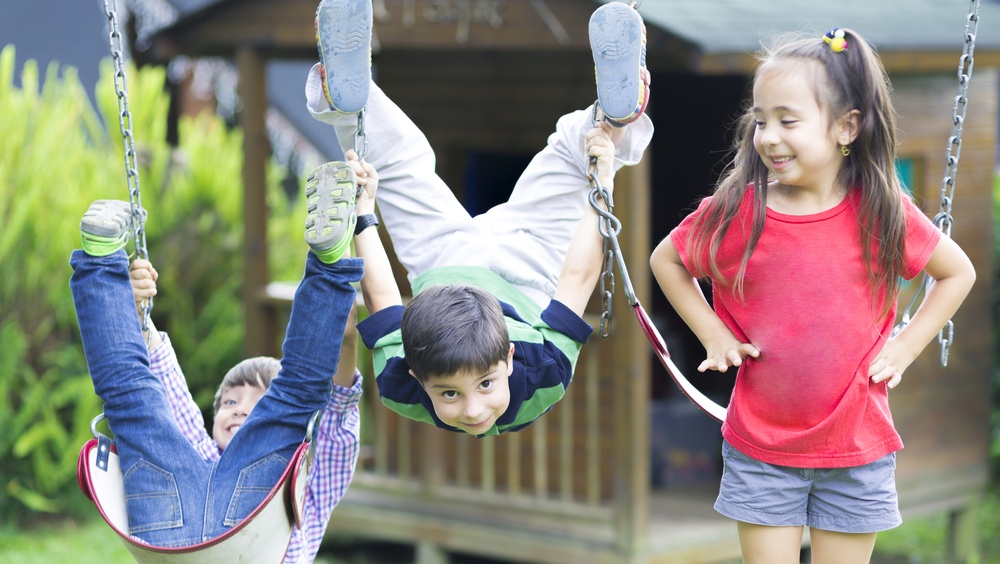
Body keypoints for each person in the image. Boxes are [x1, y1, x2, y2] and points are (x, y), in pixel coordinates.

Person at [649, 27, 976, 563]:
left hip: (855, 447)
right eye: (760, 120)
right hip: (763, 449)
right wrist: (712, 331)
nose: (769, 136)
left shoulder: (879, 209)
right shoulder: (739, 211)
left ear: (847, 127)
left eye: (788, 120)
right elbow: (668, 259)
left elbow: (956, 272)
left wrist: (905, 347)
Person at [306, 0, 653, 437]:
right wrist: (599, 186)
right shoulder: (541, 376)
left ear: (415, 376)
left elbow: (380, 298)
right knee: (571, 156)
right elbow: (579, 277)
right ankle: (612, 117)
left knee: (393, 164)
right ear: (510, 357)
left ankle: (353, 99)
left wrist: (362, 211)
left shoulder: (398, 381)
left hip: (445, 265)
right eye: (452, 392)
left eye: (478, 385)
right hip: (523, 266)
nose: (473, 410)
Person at [71, 178, 365, 560]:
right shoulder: (197, 449)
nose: (240, 408)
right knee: (135, 401)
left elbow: (338, 409)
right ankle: (101, 253)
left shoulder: (313, 481)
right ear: (213, 418)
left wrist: (346, 335)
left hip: (187, 529)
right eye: (229, 401)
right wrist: (132, 309)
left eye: (258, 403)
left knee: (134, 402)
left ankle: (99, 259)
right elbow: (166, 378)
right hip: (217, 526)